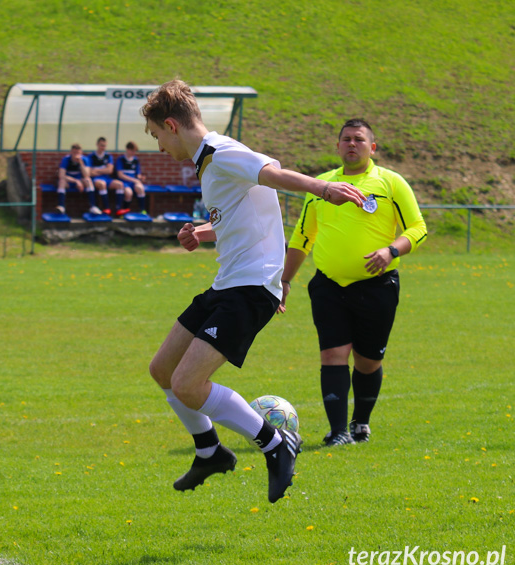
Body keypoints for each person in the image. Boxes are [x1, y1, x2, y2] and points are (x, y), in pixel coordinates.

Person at [142, 79, 366, 502]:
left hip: (249, 288)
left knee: (190, 384)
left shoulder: (222, 151)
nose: (158, 148)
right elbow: (242, 211)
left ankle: (276, 444)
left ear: (171, 125)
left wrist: (324, 187)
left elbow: (273, 175)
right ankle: (209, 451)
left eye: (156, 136)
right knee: (163, 369)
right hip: (228, 283)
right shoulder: (209, 161)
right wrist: (203, 233)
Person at [278, 118, 427, 447]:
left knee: (367, 360)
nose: (351, 144)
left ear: (372, 147)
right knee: (332, 355)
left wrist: (390, 251)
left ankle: (360, 422)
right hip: (328, 286)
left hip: (377, 287)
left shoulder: (390, 183)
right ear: (337, 146)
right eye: (346, 139)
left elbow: (418, 228)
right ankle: (337, 432)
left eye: (359, 139)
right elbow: (303, 237)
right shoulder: (321, 186)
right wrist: (284, 280)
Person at [57, 143, 101, 216]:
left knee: (88, 180)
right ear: (71, 152)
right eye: (74, 152)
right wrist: (76, 181)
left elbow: (87, 175)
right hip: (69, 181)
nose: (76, 155)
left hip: (80, 181)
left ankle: (93, 206)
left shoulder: (84, 160)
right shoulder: (66, 159)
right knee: (61, 182)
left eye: (78, 153)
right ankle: (61, 206)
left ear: (81, 153)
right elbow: (61, 175)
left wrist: (81, 163)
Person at [113, 141, 147, 216]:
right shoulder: (121, 159)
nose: (134, 152)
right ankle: (124, 212)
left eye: (135, 151)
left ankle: (142, 210)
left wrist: (140, 177)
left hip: (133, 182)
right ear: (127, 149)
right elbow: (120, 175)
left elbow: (138, 174)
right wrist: (134, 180)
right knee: (129, 193)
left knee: (140, 188)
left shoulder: (135, 160)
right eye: (132, 150)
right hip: (124, 182)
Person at [87, 137, 119, 215]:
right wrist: (104, 170)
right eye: (101, 145)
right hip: (96, 179)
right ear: (97, 145)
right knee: (102, 184)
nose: (103, 147)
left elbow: (110, 171)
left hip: (107, 178)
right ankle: (106, 208)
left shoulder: (108, 156)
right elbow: (89, 172)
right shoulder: (91, 156)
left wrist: (97, 171)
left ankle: (119, 210)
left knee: (120, 185)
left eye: (104, 146)